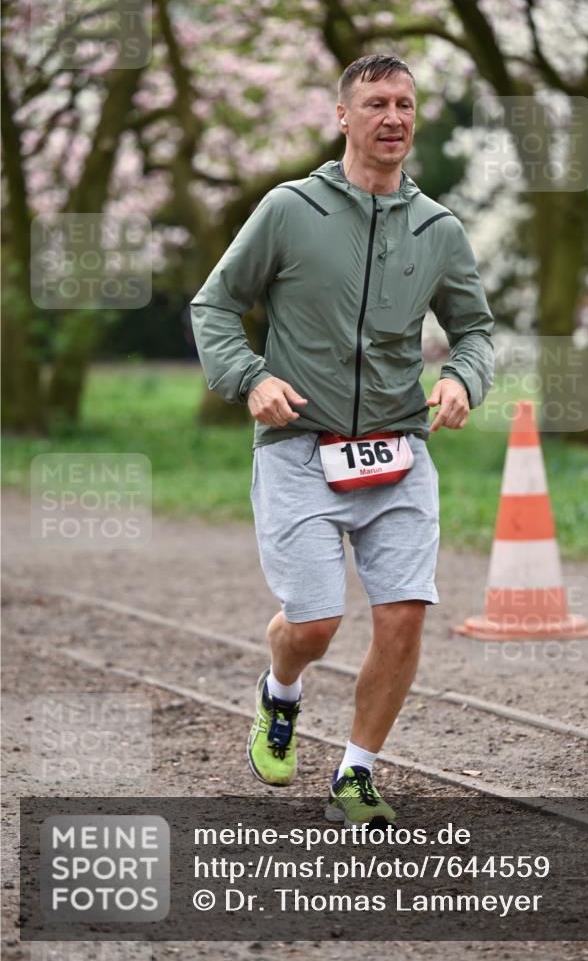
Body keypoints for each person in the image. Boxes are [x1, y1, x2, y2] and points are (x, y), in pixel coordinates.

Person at [190, 54, 494, 826]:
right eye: (375, 103)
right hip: (298, 445)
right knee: (313, 625)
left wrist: (462, 378)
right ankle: (279, 691)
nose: (392, 117)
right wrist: (250, 378)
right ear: (342, 116)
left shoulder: (437, 228)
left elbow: (474, 330)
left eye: (403, 104)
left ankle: (356, 773)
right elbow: (215, 305)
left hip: (398, 450)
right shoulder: (289, 209)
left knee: (403, 614)